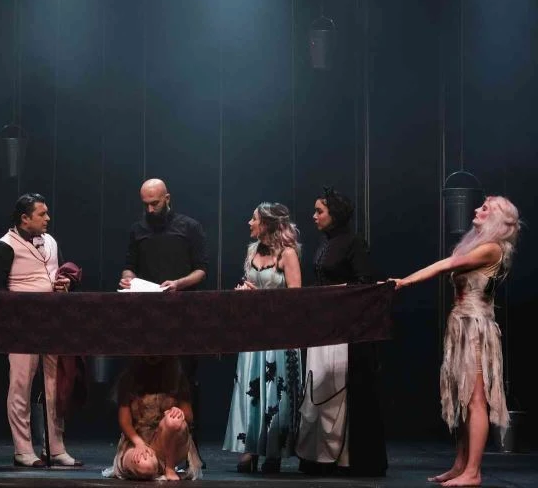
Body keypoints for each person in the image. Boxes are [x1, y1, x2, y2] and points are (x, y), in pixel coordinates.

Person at [392, 196, 520, 487]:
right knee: (463, 398)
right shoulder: (478, 245)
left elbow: (445, 265)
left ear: (498, 219)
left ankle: (473, 472)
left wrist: (405, 281)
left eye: (484, 208)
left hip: (475, 328)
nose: (476, 209)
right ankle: (461, 465)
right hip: (461, 324)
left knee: (476, 400)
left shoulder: (491, 248)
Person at [0, 193, 83, 468]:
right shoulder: (4, 246)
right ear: (24, 218)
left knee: (55, 385)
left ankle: (55, 447)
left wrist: (65, 284)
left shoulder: (50, 240)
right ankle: (23, 449)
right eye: (42, 214)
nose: (48, 218)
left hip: (52, 321)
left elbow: (59, 273)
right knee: (21, 386)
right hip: (22, 325)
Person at [296, 187, 387, 477]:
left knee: (340, 389)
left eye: (319, 211)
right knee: (319, 387)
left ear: (334, 214)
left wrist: (333, 294)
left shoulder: (353, 243)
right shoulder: (325, 243)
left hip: (346, 329)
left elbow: (365, 283)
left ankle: (347, 458)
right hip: (324, 326)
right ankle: (319, 456)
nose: (314, 216)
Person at [119, 178, 208, 460]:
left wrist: (179, 284)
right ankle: (144, 445)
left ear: (167, 198)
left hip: (183, 314)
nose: (150, 209)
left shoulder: (189, 226)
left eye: (155, 203)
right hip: (148, 316)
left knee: (185, 378)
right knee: (145, 378)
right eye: (145, 204)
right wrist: (127, 279)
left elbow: (202, 270)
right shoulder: (138, 229)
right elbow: (129, 266)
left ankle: (190, 449)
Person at [223, 203, 302, 474]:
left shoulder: (287, 254)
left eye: (254, 219)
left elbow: (296, 298)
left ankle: (273, 450)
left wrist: (260, 296)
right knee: (251, 388)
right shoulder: (251, 251)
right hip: (253, 331)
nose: (249, 223)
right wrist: (244, 293)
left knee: (274, 391)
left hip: (278, 332)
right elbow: (251, 286)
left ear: (266, 224)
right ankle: (250, 447)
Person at [103, 356, 202, 481]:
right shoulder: (129, 378)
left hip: (167, 441)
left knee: (174, 421)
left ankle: (169, 468)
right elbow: (125, 421)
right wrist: (139, 443)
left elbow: (189, 416)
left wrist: (178, 412)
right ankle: (155, 466)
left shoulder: (177, 377)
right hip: (138, 439)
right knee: (146, 467)